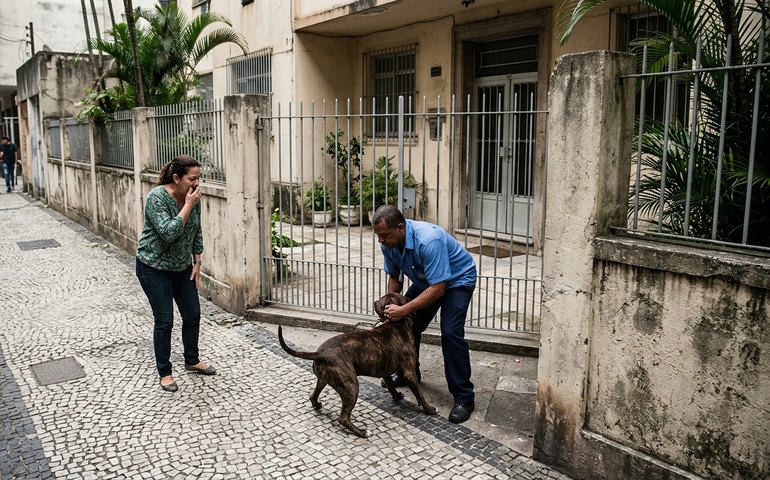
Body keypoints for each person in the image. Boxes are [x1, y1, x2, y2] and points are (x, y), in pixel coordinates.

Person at [372, 205, 477, 424]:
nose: (380, 240)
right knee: (407, 325)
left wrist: (403, 309)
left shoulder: (428, 239)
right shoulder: (388, 244)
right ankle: (408, 372)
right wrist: (391, 304)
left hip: (457, 280)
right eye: (378, 236)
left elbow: (438, 289)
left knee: (451, 333)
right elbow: (395, 279)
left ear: (400, 228)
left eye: (384, 235)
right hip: (427, 281)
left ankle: (464, 397)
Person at [135, 155, 216, 393]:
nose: (196, 183)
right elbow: (169, 233)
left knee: (192, 314)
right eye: (192, 178)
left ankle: (191, 360)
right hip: (153, 268)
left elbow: (196, 229)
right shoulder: (156, 198)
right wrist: (188, 205)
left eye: (198, 178)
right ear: (176, 178)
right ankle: (165, 372)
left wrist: (197, 260)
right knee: (165, 321)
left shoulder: (194, 197)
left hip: (181, 267)